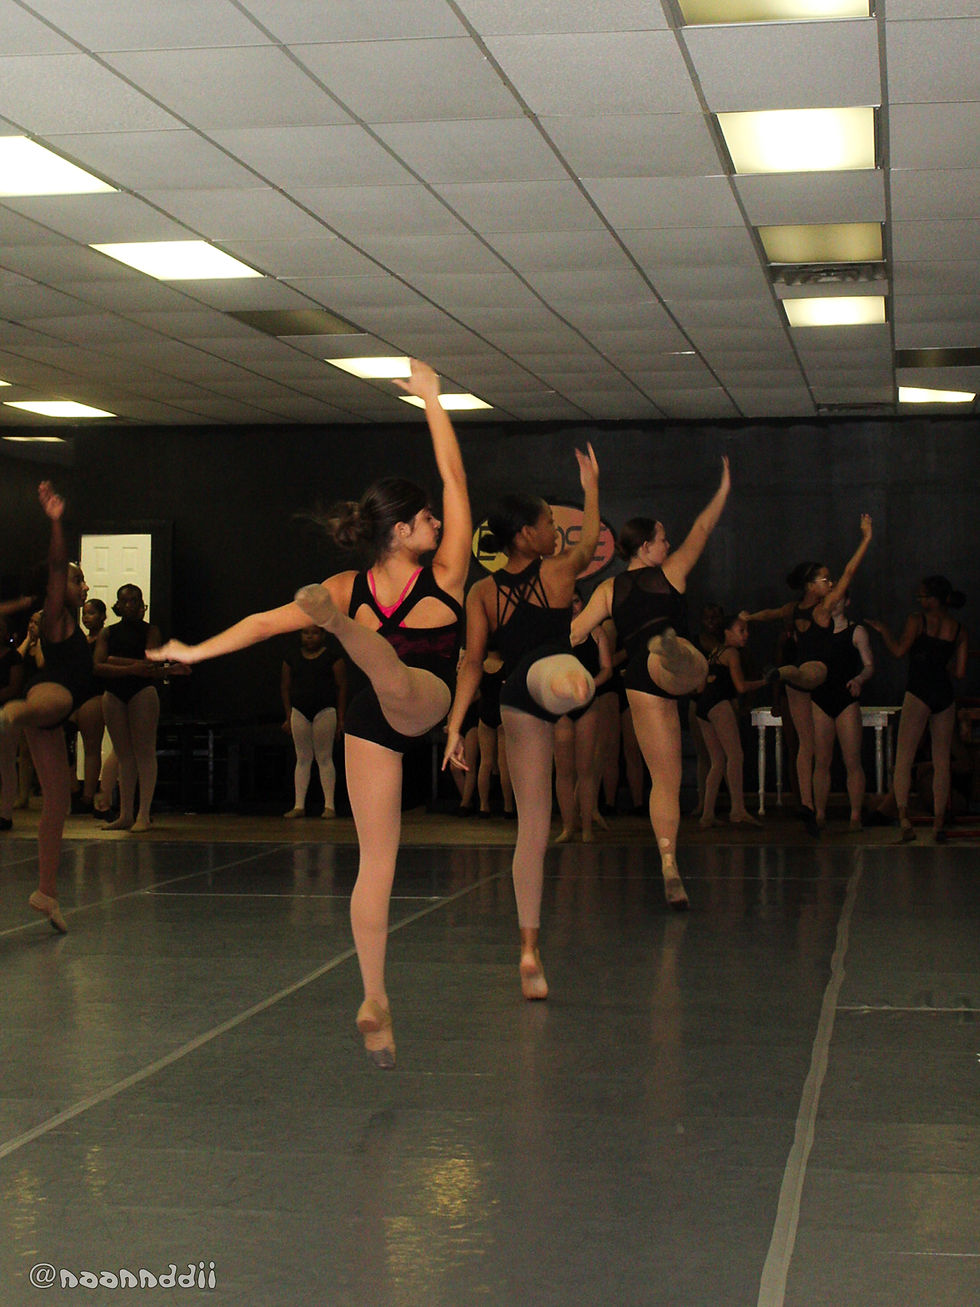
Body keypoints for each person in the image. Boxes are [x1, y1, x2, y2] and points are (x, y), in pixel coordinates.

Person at [150, 360, 468, 1069]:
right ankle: (373, 1003)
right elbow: (455, 476)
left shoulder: (347, 583)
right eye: (428, 519)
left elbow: (266, 622)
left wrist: (196, 652)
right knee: (390, 695)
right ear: (406, 531)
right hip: (411, 704)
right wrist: (435, 402)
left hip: (390, 706)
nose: (441, 521)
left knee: (376, 853)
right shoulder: (443, 573)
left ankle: (375, 996)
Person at [444, 446, 600, 1001]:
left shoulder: (482, 591)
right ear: (526, 536)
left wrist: (455, 725)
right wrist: (591, 487)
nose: (557, 532)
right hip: (541, 681)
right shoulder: (556, 572)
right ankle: (576, 689)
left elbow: (471, 664)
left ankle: (530, 948)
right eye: (549, 524)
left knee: (534, 827)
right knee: (571, 680)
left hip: (514, 700)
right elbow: (590, 541)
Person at [572, 458, 731, 910]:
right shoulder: (670, 573)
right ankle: (674, 650)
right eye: (663, 539)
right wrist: (722, 491)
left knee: (666, 779)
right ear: (645, 546)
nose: (670, 544)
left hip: (639, 678)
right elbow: (702, 529)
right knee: (692, 665)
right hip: (671, 668)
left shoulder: (608, 590)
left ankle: (668, 863)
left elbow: (576, 632)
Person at [740, 515, 872, 836]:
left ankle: (812, 807)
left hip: (803, 678)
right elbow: (850, 572)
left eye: (830, 581)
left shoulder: (800, 609)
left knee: (805, 736)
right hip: (812, 675)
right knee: (806, 742)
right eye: (825, 580)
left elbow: (770, 613)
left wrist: (750, 617)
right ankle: (808, 805)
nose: (830, 584)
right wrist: (866, 538)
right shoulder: (817, 610)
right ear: (810, 585)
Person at [0, 483, 90, 932]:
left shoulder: (66, 620)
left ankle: (47, 891)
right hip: (52, 693)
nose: (83, 585)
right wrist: (56, 521)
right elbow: (57, 566)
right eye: (79, 580)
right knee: (27, 710)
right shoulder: (57, 617)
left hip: (54, 715)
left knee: (57, 802)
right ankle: (8, 716)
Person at [868, 575, 968, 842]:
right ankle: (937, 824)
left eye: (923, 596)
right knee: (942, 760)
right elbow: (959, 672)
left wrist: (884, 631)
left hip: (919, 692)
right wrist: (941, 665)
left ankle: (904, 821)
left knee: (904, 758)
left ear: (934, 599)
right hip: (943, 694)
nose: (920, 600)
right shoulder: (958, 629)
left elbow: (900, 651)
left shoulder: (917, 621)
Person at [94, 584, 178, 832]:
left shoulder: (151, 630)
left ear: (142, 604)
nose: (130, 605)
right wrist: (131, 668)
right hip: (114, 693)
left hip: (142, 692)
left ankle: (144, 813)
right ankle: (126, 814)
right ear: (118, 605)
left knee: (144, 752)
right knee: (123, 754)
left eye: (134, 600)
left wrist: (115, 662)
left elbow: (150, 663)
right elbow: (97, 665)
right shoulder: (108, 633)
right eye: (125, 601)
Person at [694, 612, 766, 828]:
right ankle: (738, 809)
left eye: (746, 631)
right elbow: (741, 687)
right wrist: (765, 681)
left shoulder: (714, 653)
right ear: (727, 633)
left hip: (703, 707)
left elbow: (700, 687)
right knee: (735, 756)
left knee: (717, 761)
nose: (746, 635)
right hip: (718, 704)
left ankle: (707, 814)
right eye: (741, 631)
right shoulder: (732, 654)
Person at [810, 596, 874, 830]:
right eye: (830, 599)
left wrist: (859, 679)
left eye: (839, 599)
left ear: (847, 601)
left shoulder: (856, 631)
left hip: (846, 699)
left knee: (852, 761)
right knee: (821, 761)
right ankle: (819, 813)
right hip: (820, 699)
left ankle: (855, 815)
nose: (834, 603)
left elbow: (869, 665)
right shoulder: (815, 631)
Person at [553, 591, 613, 843]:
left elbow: (607, 668)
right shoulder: (554, 633)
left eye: (576, 601)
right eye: (569, 601)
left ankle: (587, 826)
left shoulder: (597, 632)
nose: (573, 606)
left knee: (586, 768)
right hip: (561, 705)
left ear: (584, 604)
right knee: (564, 771)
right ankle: (569, 826)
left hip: (587, 702)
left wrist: (590, 685)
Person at [281, 625, 346, 819]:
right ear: (300, 635)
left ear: (323, 635)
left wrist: (341, 718)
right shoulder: (291, 658)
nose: (310, 637)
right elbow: (285, 687)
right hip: (299, 711)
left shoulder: (333, 658)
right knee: (302, 758)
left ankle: (329, 806)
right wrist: (288, 715)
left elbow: (342, 687)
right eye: (306, 633)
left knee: (324, 757)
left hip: (325, 711)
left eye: (315, 633)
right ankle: (299, 805)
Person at [0, 615, 25, 831]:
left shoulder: (14, 657)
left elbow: (14, 687)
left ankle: (5, 812)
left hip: (8, 712)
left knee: (6, 762)